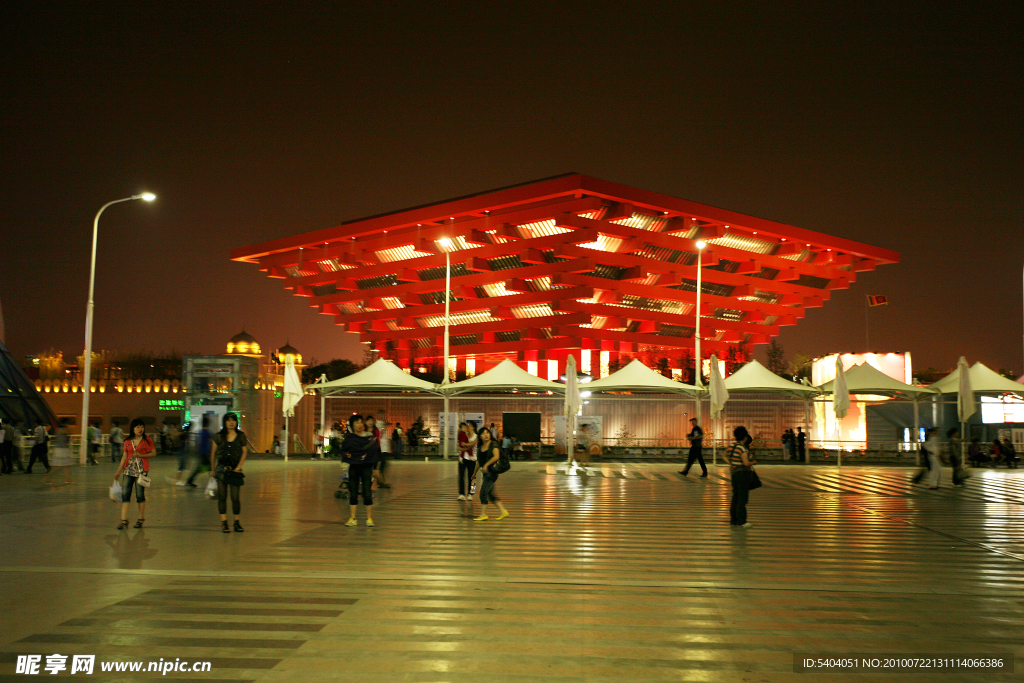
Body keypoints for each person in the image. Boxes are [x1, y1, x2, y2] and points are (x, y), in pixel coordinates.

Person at [210, 412, 248, 533]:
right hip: (221, 469)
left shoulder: (241, 436)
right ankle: (224, 522)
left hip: (235, 470)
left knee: (235, 497)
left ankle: (236, 522)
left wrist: (239, 466)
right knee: (222, 496)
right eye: (228, 420)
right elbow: (213, 454)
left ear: (236, 422)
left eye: (233, 420)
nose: (231, 423)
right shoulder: (218, 436)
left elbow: (244, 452)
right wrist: (213, 469)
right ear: (224, 422)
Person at [113, 418, 154, 529]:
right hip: (128, 471)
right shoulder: (127, 441)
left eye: (142, 426)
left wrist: (141, 455)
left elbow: (153, 453)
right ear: (133, 428)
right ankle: (123, 520)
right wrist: (118, 471)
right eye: (138, 427)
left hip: (142, 471)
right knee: (125, 494)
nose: (140, 429)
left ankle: (140, 518)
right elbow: (124, 457)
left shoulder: (147, 440)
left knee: (140, 494)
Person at [342, 415, 381, 526]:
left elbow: (375, 451)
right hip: (354, 467)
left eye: (361, 422)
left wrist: (375, 467)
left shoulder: (369, 437)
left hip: (366, 467)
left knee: (367, 492)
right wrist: (347, 455)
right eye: (357, 423)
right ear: (352, 425)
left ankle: (369, 519)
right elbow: (344, 450)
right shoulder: (349, 438)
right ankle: (352, 518)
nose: (359, 425)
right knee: (353, 492)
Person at [473, 427, 509, 521]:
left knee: (483, 493)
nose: (486, 435)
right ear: (480, 436)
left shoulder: (493, 443)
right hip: (486, 473)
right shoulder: (480, 448)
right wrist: (474, 473)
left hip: (492, 472)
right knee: (490, 494)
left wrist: (486, 465)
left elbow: (496, 456)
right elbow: (479, 462)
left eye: (487, 433)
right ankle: (503, 511)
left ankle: (483, 514)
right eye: (484, 433)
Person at [726, 426, 757, 528]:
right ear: (745, 437)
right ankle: (741, 521)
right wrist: (754, 462)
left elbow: (723, 455)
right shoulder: (743, 449)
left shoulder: (732, 446)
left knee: (735, 497)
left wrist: (731, 464)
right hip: (743, 474)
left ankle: (733, 519)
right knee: (742, 499)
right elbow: (746, 463)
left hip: (734, 474)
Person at [44, 418, 73, 485]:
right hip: (61, 449)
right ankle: (47, 478)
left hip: (62, 449)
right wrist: (66, 426)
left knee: (66, 465)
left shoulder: (58, 429)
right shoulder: (62, 430)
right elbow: (70, 431)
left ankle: (68, 480)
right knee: (58, 466)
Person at [456, 422, 478, 501]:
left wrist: (464, 446)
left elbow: (471, 444)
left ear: (473, 427)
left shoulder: (476, 436)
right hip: (463, 458)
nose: (467, 427)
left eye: (469, 426)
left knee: (472, 477)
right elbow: (459, 446)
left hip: (473, 459)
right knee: (461, 476)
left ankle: (471, 493)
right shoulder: (464, 434)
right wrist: (462, 447)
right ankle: (461, 494)